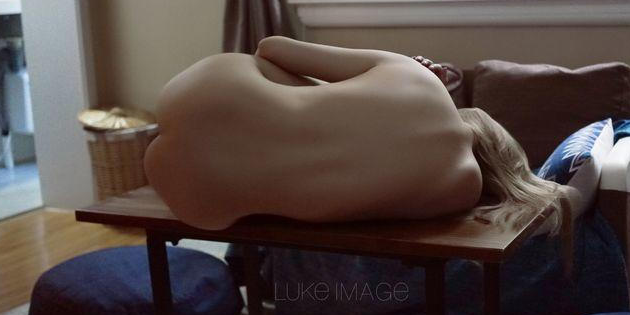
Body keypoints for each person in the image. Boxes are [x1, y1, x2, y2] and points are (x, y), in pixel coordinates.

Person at [144, 36, 574, 250]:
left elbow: (272, 48)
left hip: (203, 91)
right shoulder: (460, 191)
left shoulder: (417, 77)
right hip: (207, 198)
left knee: (291, 87)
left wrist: (402, 71)